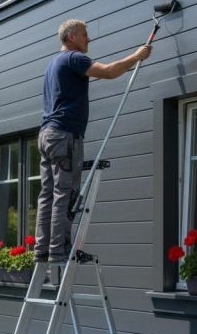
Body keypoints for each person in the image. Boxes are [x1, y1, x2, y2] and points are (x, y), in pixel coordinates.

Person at [34, 19, 152, 264]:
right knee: (65, 193)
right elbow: (109, 71)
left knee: (47, 195)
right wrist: (137, 56)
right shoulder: (73, 58)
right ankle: (58, 250)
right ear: (70, 37)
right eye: (84, 34)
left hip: (47, 134)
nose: (89, 39)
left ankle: (42, 249)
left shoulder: (52, 64)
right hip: (65, 134)